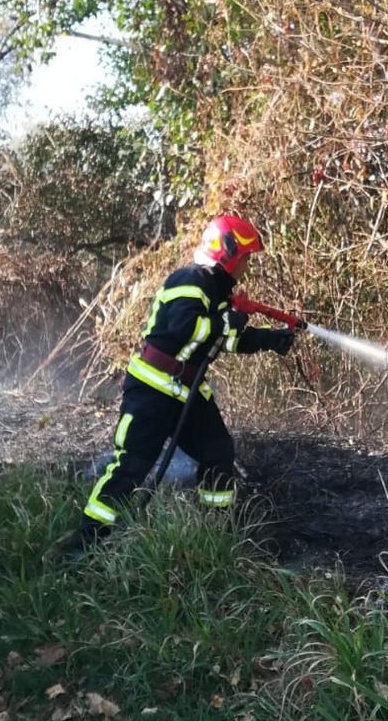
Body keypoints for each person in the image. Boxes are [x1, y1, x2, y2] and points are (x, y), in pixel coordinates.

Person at [64, 215, 295, 561]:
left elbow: (222, 339)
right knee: (131, 467)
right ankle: (85, 546)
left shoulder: (217, 290)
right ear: (227, 253)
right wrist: (224, 321)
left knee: (218, 451)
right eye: (245, 257)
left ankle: (216, 530)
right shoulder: (190, 279)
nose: (248, 265)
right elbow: (184, 326)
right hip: (152, 391)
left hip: (187, 393)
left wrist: (269, 340)